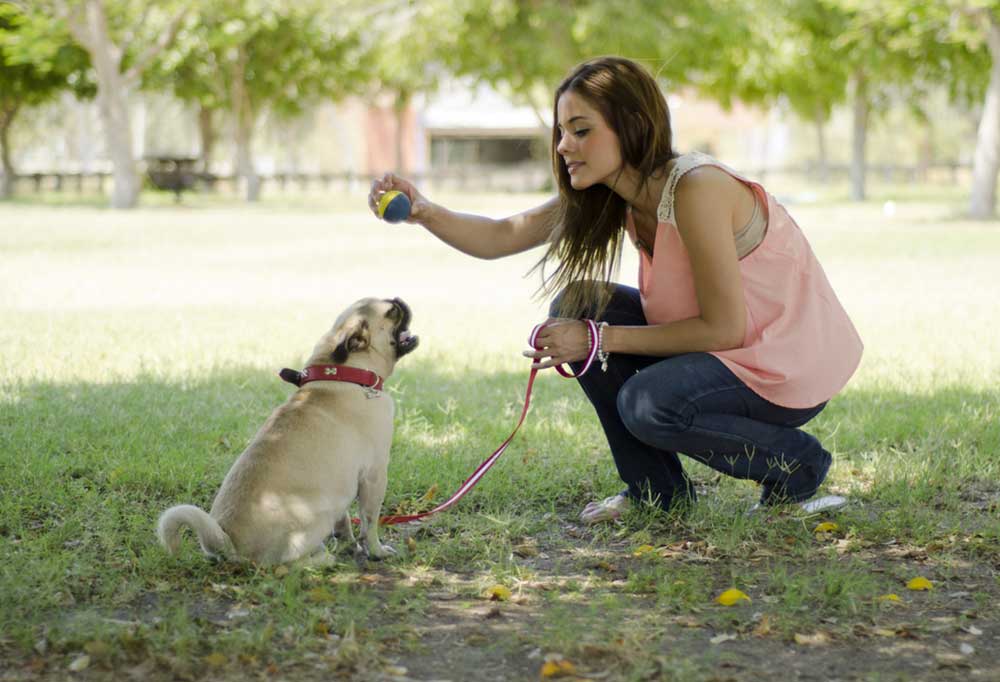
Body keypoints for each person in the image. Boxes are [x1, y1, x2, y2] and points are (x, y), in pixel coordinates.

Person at [367, 56, 862, 524]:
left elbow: (725, 327)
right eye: (562, 132)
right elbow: (502, 235)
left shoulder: (698, 188)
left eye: (581, 131)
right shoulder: (612, 195)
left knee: (648, 402)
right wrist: (424, 211)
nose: (563, 146)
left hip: (777, 363)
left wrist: (598, 340)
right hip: (724, 350)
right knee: (580, 303)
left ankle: (797, 465)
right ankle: (657, 494)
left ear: (632, 127)